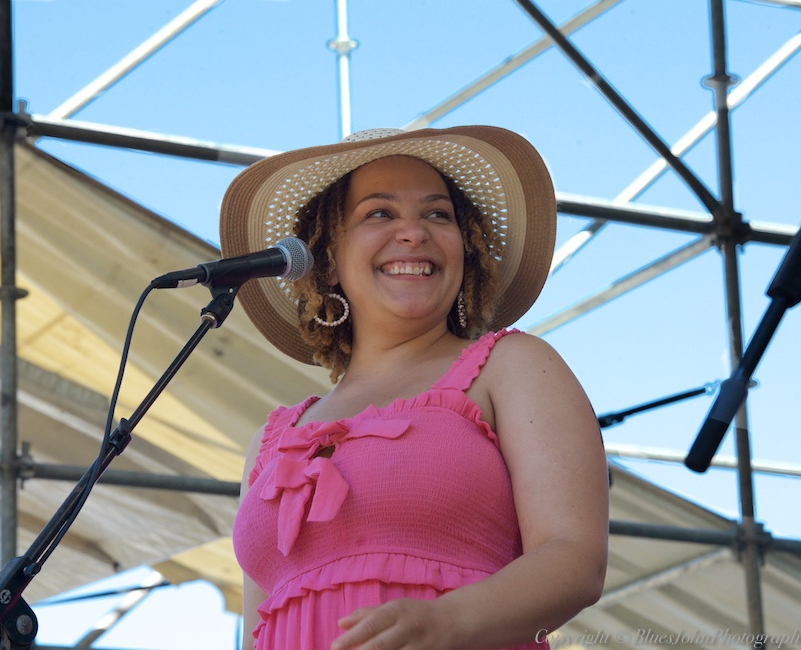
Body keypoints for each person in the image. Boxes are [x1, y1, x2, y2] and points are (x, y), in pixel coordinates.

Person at [224, 126, 608, 650]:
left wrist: (448, 621)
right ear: (327, 261)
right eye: (379, 213)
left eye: (437, 214)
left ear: (464, 249)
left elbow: (574, 559)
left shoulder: (512, 365)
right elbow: (256, 631)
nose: (414, 232)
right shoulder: (270, 442)